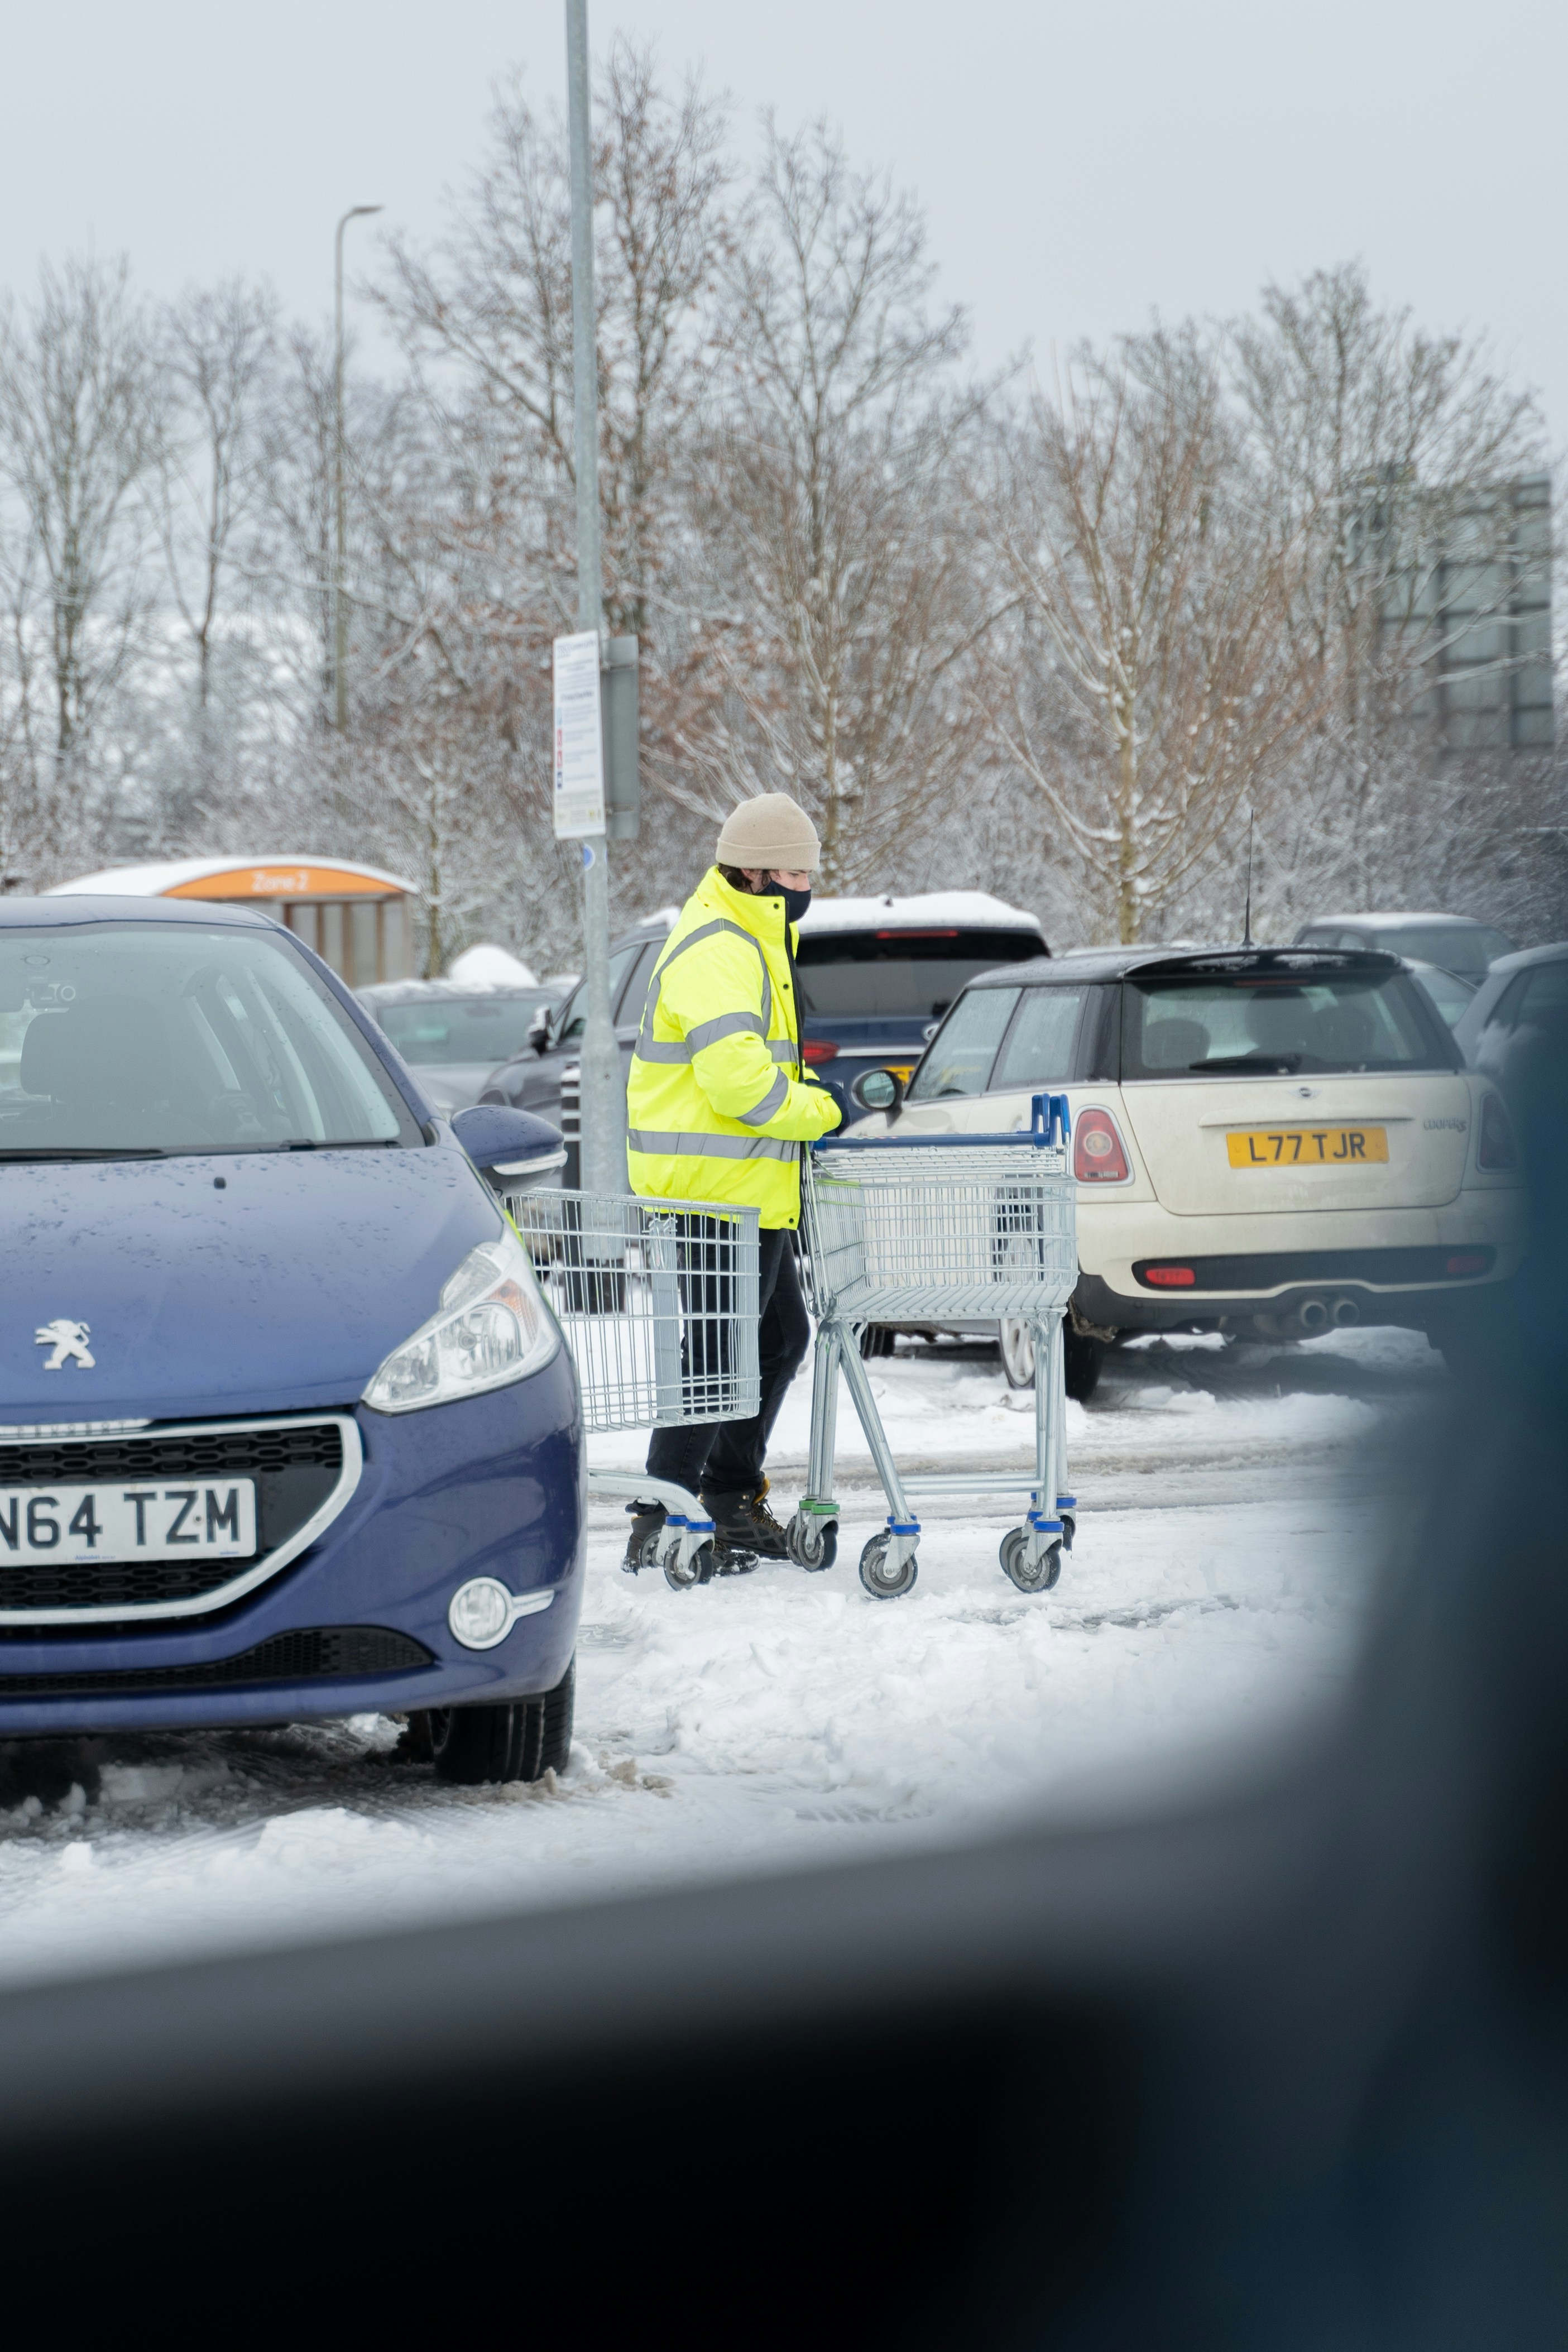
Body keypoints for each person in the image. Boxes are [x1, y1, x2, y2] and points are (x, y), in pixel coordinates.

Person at [623, 794, 842, 1567]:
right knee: (720, 1353)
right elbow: (740, 1085)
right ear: (748, 871)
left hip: (751, 1190)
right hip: (710, 1191)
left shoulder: (757, 938)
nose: (803, 885)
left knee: (778, 1337)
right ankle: (664, 1512)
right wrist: (819, 1110)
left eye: (810, 872)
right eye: (791, 871)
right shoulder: (717, 946)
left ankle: (725, 1494)